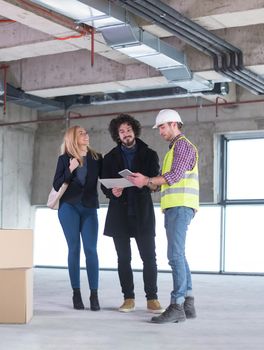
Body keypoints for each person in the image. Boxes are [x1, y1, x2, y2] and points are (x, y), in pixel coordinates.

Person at [128, 109, 199, 324]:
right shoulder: (174, 149)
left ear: (174, 124)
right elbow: (166, 181)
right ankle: (188, 302)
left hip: (180, 206)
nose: (160, 132)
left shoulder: (183, 146)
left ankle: (177, 305)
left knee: (175, 256)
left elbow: (174, 176)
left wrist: (149, 179)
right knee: (180, 254)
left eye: (162, 127)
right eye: (159, 128)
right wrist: (145, 182)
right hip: (176, 207)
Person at [101, 113, 163, 314]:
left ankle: (152, 298)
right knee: (123, 258)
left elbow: (155, 184)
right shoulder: (109, 158)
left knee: (149, 257)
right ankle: (128, 298)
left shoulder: (149, 154)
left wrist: (146, 180)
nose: (126, 134)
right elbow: (105, 186)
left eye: (128, 130)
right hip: (119, 213)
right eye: (121, 131)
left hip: (142, 211)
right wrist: (113, 191)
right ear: (117, 135)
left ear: (134, 131)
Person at [52, 125, 102, 311]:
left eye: (86, 132)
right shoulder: (64, 159)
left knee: (91, 250)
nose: (86, 135)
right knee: (74, 248)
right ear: (72, 137)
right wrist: (70, 170)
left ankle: (94, 295)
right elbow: (57, 184)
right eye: (81, 133)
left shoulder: (96, 158)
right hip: (68, 207)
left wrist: (116, 189)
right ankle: (76, 293)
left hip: (89, 207)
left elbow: (103, 181)